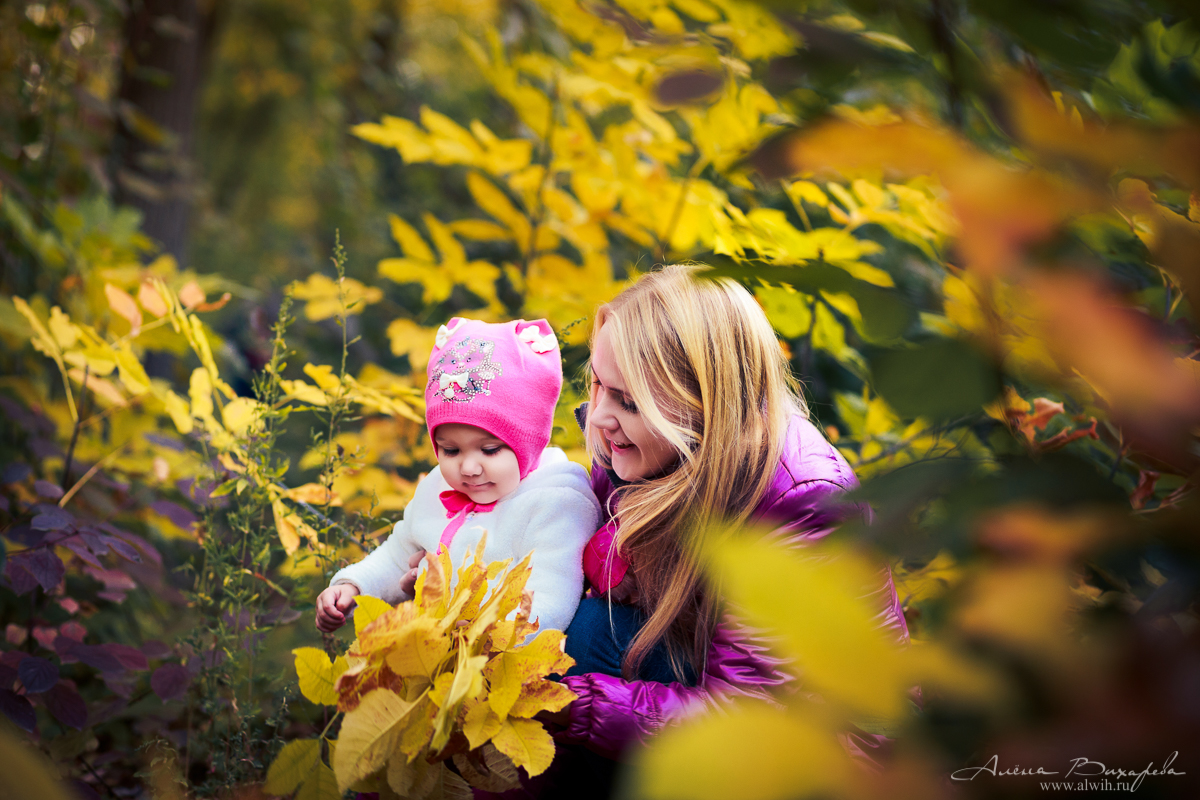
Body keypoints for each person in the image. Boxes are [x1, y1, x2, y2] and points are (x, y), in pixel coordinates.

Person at [535, 265, 908, 795]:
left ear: (700, 402)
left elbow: (753, 708)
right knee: (574, 628)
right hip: (700, 676)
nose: (598, 417)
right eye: (598, 383)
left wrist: (573, 703)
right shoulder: (649, 451)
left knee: (592, 639)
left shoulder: (798, 497)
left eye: (630, 401)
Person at [315, 317, 602, 636]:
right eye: (451, 451)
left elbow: (551, 599)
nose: (468, 467)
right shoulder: (437, 487)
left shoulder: (555, 504)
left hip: (509, 662)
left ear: (529, 442)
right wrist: (353, 586)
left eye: (490, 450)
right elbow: (398, 555)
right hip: (437, 655)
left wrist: (481, 635)